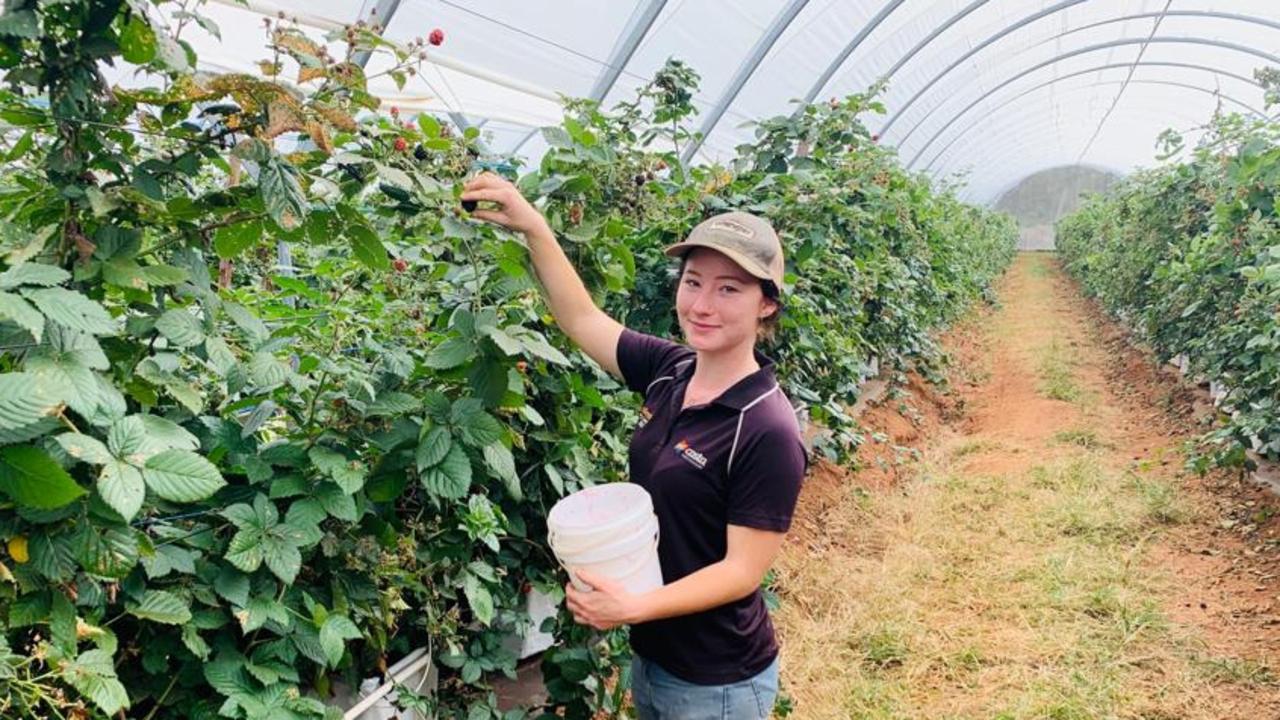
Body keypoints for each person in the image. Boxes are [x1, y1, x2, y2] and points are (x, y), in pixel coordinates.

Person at [462, 173, 807, 720]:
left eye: (729, 289)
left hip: (717, 679)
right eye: (693, 281)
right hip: (654, 658)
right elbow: (581, 319)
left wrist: (633, 606)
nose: (702, 304)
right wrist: (534, 227)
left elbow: (743, 571)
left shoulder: (765, 427)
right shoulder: (670, 371)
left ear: (766, 304)